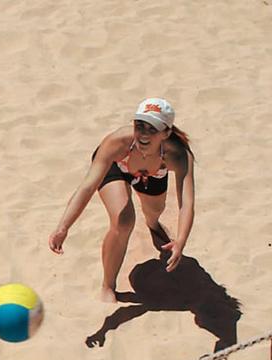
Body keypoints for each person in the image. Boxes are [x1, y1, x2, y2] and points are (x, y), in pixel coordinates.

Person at [48, 98, 196, 303]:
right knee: (124, 220)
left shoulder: (177, 155)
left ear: (166, 133)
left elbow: (186, 204)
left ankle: (153, 225)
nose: (144, 133)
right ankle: (108, 285)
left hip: (152, 173)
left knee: (155, 210)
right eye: (139, 125)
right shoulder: (117, 143)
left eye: (152, 128)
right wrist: (63, 227)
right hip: (117, 166)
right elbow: (87, 187)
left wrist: (180, 241)